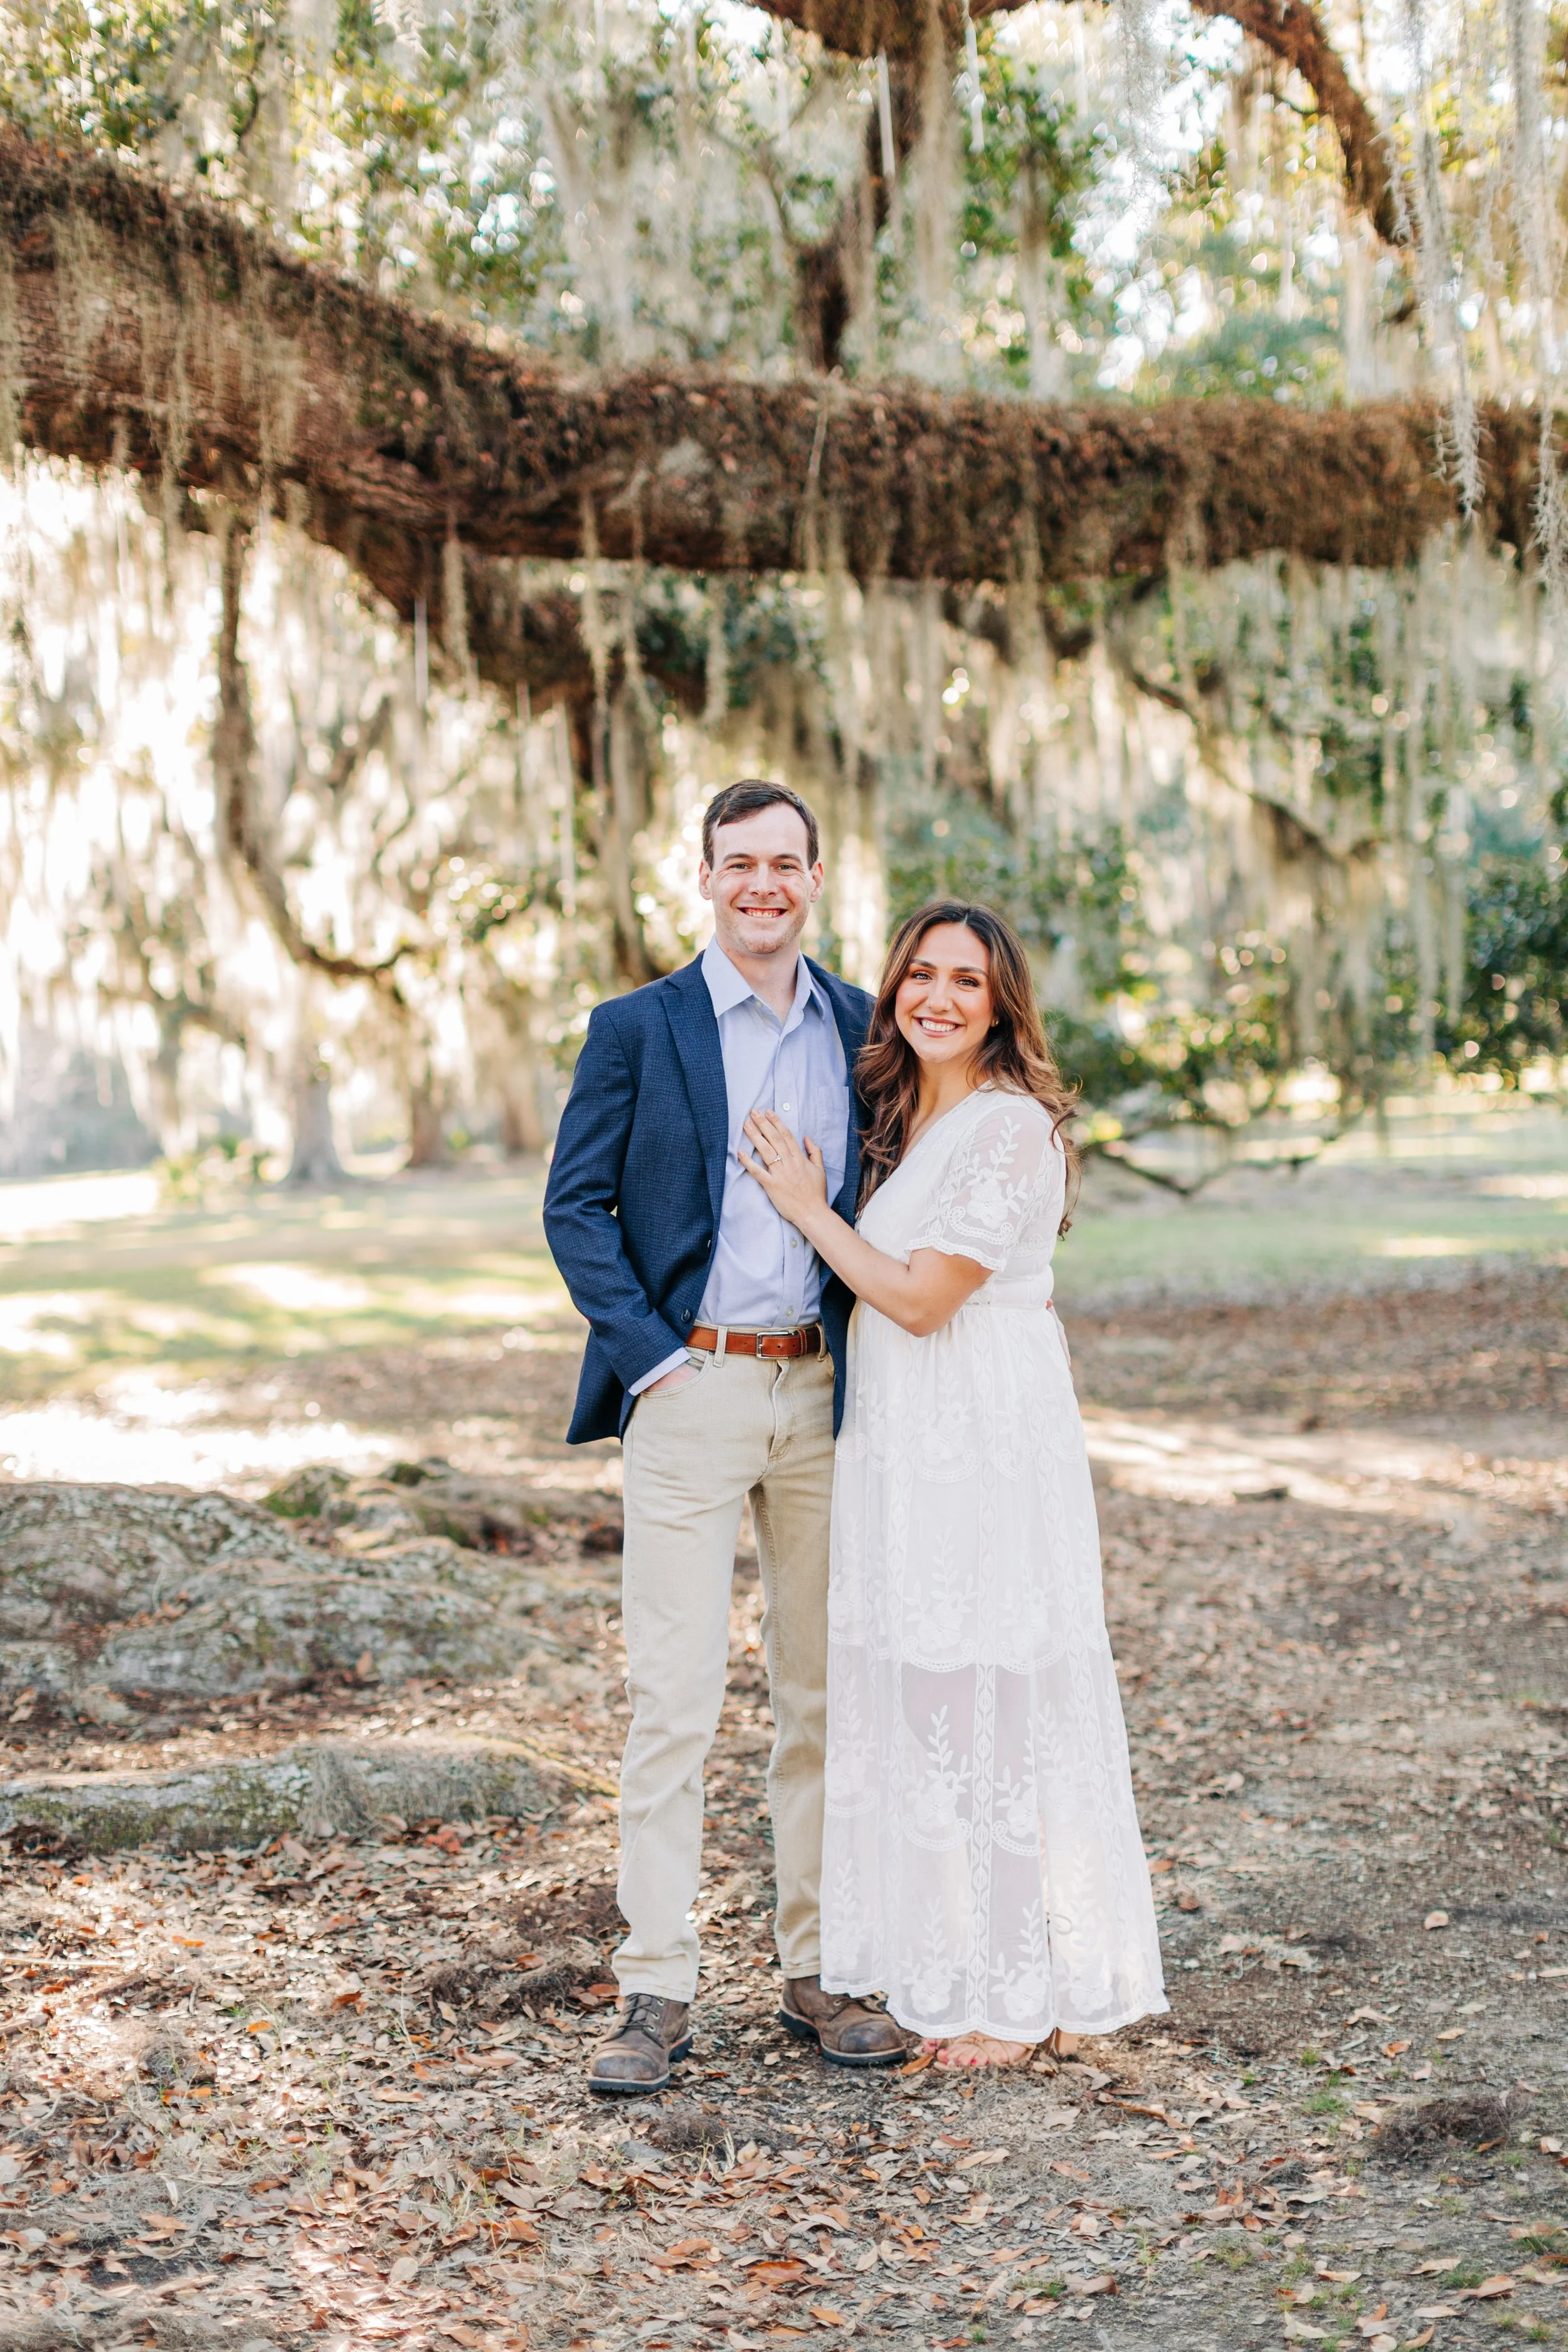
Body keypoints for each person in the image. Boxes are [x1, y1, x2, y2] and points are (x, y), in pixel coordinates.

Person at [738, 899, 1167, 2070]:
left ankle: (1011, 1995)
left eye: (965, 982)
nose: (937, 996)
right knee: (932, 1702)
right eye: (918, 974)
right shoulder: (910, 1122)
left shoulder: (1008, 1127)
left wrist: (807, 1211)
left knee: (996, 1691)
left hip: (982, 1431)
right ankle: (957, 1961)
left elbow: (925, 1298)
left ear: (1000, 1003)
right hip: (905, 1434)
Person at [542, 780, 909, 2093]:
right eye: (738, 863)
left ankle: (820, 1972)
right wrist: (652, 1364)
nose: (763, 884)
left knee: (822, 1698)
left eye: (785, 864)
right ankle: (655, 1988)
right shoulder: (637, 1028)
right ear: (702, 878)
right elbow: (574, 1208)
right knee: (674, 1703)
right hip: (688, 1397)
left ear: (815, 878)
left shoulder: (866, 1029)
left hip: (821, 1400)